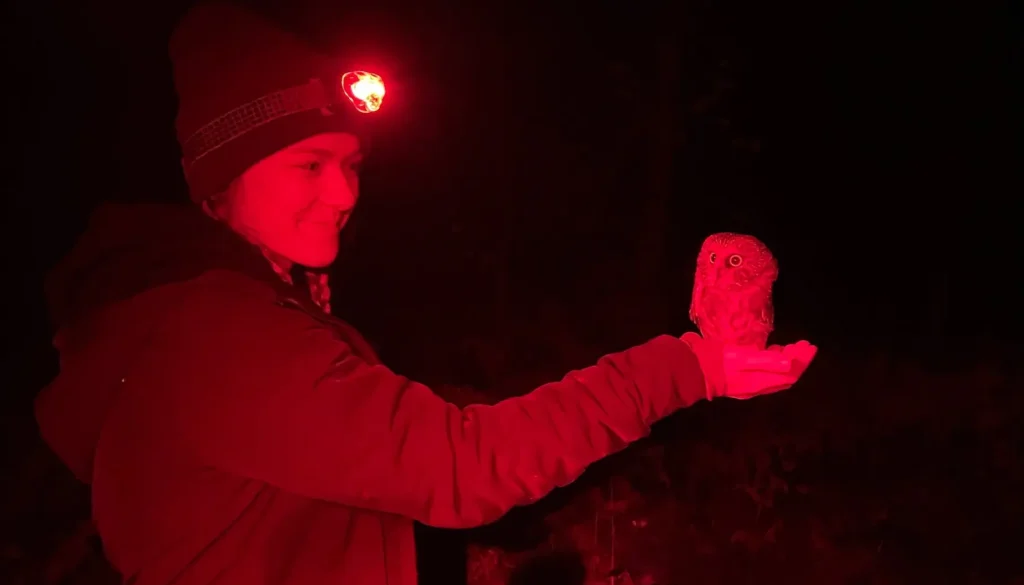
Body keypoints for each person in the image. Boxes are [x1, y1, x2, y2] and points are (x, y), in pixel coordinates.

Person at [33, 2, 818, 584]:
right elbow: (461, 468)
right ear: (220, 184)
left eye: (353, 163)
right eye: (310, 164)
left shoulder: (225, 311)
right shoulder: (214, 332)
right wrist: (688, 368)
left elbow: (367, 442)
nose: (342, 192)